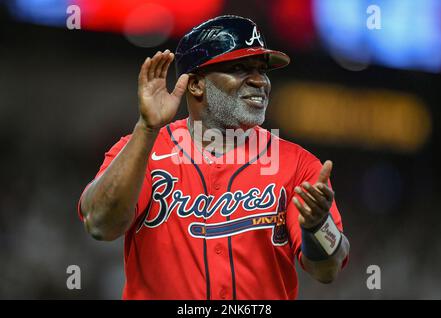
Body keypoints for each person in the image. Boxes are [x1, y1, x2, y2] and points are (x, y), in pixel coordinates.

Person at [77, 15, 350, 300]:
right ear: (196, 85)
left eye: (262, 69)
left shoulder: (299, 165)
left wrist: (318, 227)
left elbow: (327, 270)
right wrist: (147, 129)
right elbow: (99, 225)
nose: (260, 81)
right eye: (240, 68)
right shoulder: (143, 150)